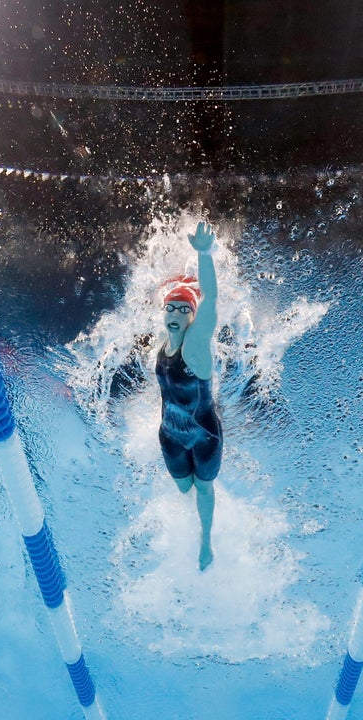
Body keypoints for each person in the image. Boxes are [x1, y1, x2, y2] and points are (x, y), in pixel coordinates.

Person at [156, 222, 221, 570]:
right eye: (172, 308)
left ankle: (206, 543)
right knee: (185, 490)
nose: (177, 314)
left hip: (203, 437)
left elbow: (210, 299)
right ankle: (191, 522)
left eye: (184, 310)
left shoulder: (195, 348)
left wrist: (203, 253)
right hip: (170, 437)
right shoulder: (162, 346)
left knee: (204, 489)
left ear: (193, 318)